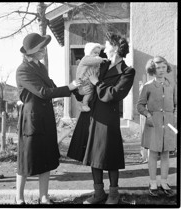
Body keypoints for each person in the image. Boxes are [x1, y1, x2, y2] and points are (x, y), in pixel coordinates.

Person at [68, 34, 135, 204]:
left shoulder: (127, 71)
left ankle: (113, 194)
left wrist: (97, 82)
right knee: (94, 155)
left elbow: (114, 94)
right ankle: (99, 193)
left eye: (106, 45)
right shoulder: (102, 64)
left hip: (108, 118)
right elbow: (87, 78)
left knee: (110, 155)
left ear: (114, 47)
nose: (104, 48)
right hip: (92, 115)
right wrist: (78, 87)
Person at [15, 33, 80, 205]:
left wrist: (72, 87)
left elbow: (51, 87)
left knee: (46, 158)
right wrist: (70, 87)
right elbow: (44, 92)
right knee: (25, 160)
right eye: (40, 48)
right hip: (31, 120)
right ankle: (19, 198)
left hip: (46, 117)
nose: (44, 50)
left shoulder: (40, 67)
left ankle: (43, 196)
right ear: (31, 51)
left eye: (44, 47)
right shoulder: (23, 70)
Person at [137, 56, 177, 197]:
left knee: (166, 153)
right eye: (158, 67)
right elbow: (140, 105)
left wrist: (174, 118)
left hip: (169, 123)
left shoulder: (171, 85)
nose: (161, 70)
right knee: (153, 153)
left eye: (163, 67)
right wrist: (148, 115)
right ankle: (153, 182)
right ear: (153, 69)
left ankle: (164, 182)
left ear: (167, 67)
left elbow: (175, 104)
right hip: (153, 123)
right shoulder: (147, 86)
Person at [76, 42, 107, 112]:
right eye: (94, 52)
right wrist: (101, 59)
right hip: (83, 80)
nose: (97, 55)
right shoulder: (85, 59)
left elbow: (97, 71)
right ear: (88, 52)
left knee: (91, 93)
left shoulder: (95, 63)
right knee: (89, 92)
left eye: (98, 53)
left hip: (89, 81)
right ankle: (84, 104)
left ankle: (83, 105)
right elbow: (95, 61)